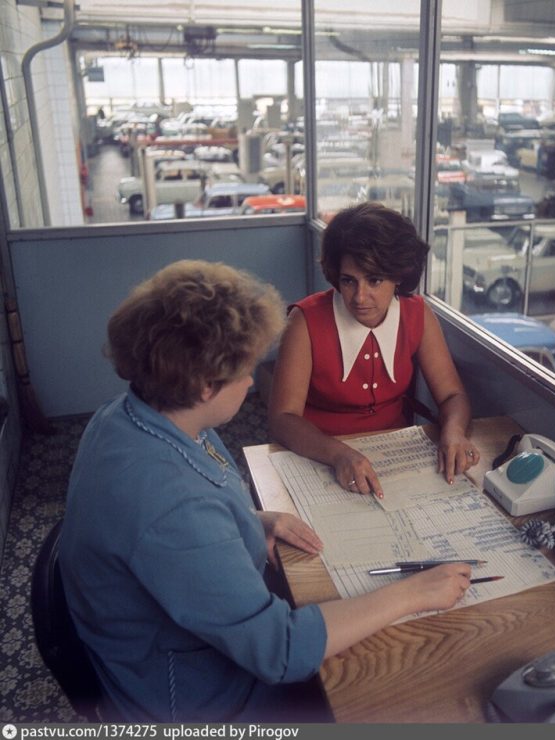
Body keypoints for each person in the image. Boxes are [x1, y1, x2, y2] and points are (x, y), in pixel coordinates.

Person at [58, 260, 472, 722]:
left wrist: (252, 521)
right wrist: (412, 594)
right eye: (246, 369)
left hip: (157, 644)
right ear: (204, 386)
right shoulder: (172, 505)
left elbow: (175, 511)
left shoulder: (128, 415)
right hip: (192, 700)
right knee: (401, 690)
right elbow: (282, 651)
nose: (253, 381)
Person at [268, 202, 479, 499]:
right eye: (348, 281)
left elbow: (452, 395)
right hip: (319, 457)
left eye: (375, 280)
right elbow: (282, 418)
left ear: (399, 276)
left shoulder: (418, 314)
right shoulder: (305, 321)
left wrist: (454, 431)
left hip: (396, 457)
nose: (359, 297)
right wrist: (337, 453)